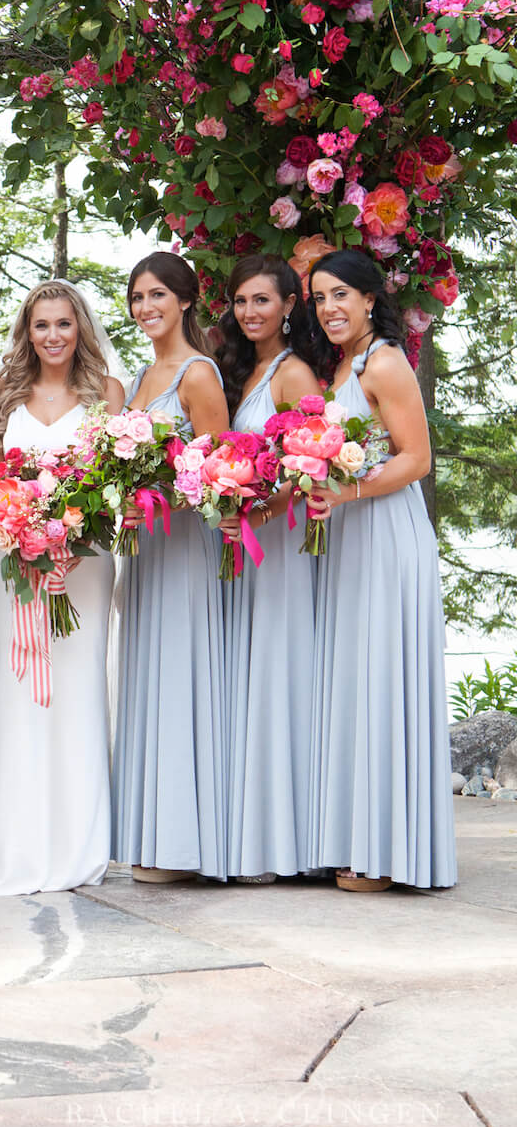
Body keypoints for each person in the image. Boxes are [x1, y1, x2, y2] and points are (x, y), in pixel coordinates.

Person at [305, 250, 457, 891]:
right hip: (353, 533)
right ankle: (362, 837)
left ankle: (387, 852)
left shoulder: (386, 361)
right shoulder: (346, 364)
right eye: (319, 298)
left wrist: (347, 493)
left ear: (371, 299)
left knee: (382, 678)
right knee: (357, 680)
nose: (330, 307)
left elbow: (416, 459)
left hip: (386, 532)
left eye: (342, 294)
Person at [0, 280, 124, 895]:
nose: (54, 336)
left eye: (64, 324)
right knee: (21, 696)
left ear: (81, 328)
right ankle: (21, 846)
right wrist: (19, 520)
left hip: (84, 564)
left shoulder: (106, 394)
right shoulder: (5, 396)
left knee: (80, 693)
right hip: (14, 565)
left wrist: (70, 523)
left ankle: (78, 847)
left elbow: (115, 479)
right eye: (42, 325)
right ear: (27, 331)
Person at [111, 252, 231, 883]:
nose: (146, 307)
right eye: (137, 297)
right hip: (146, 548)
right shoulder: (137, 379)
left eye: (158, 295)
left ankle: (188, 844)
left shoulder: (197, 373)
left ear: (185, 300)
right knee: (148, 676)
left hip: (185, 546)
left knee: (181, 675)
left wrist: (155, 495)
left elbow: (218, 477)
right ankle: (154, 834)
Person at [216, 255, 321, 883]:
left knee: (279, 677)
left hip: (277, 546)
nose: (250, 312)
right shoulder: (240, 369)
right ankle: (253, 833)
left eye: (263, 300)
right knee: (250, 680)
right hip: (243, 543)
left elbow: (312, 463)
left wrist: (258, 502)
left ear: (289, 304)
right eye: (240, 302)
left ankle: (285, 844)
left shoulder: (294, 372)